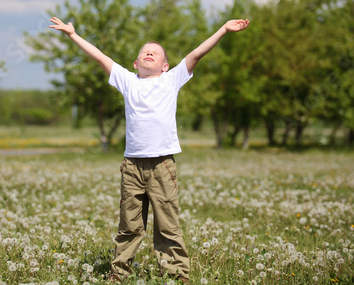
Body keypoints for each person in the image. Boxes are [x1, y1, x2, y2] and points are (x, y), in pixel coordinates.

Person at [49, 16, 250, 283]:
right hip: (132, 165)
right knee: (129, 225)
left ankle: (177, 274)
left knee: (167, 224)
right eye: (144, 52)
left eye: (155, 53)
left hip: (162, 165)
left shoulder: (171, 80)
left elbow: (197, 53)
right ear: (135, 63)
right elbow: (100, 57)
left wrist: (224, 29)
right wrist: (73, 35)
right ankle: (119, 273)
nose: (149, 53)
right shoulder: (127, 81)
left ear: (165, 66)